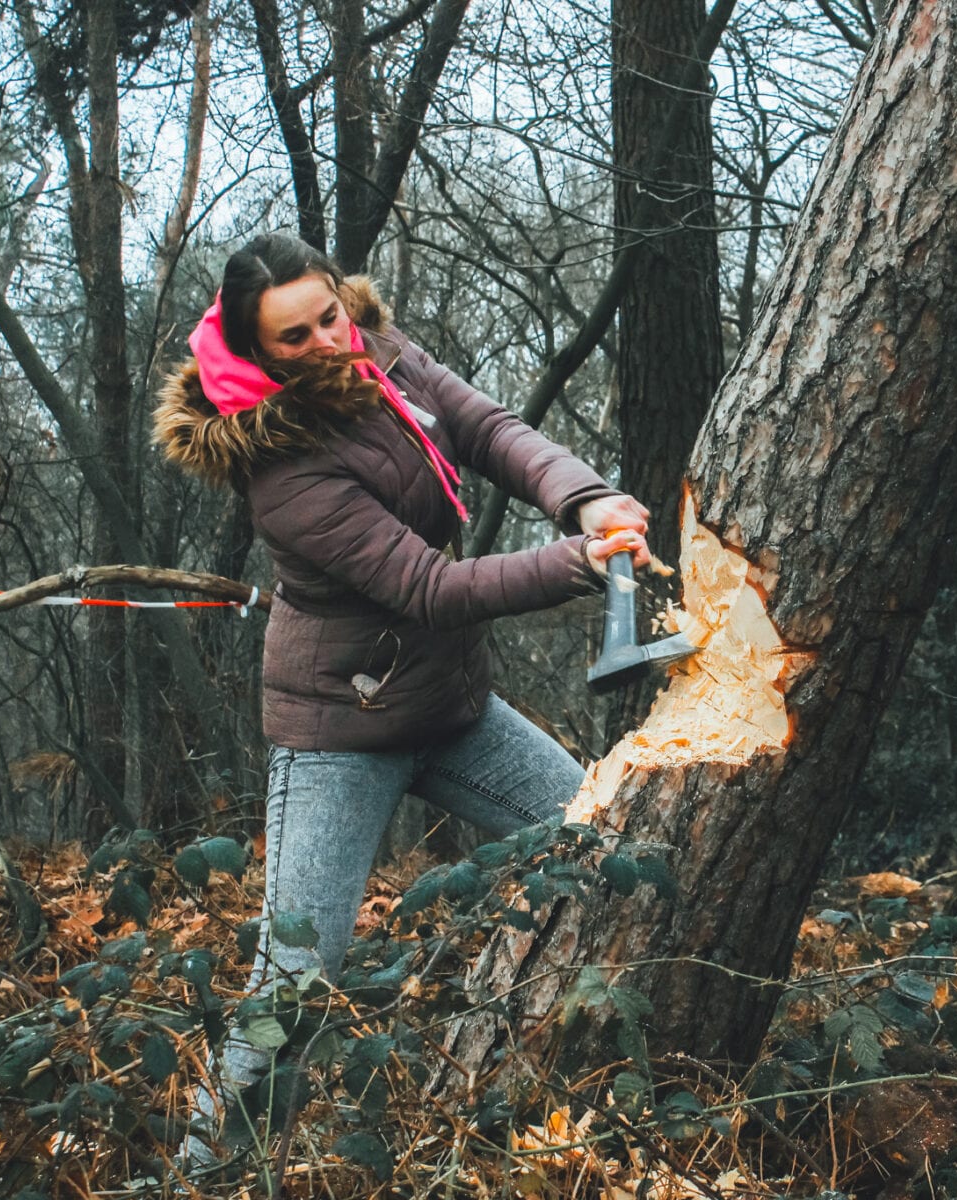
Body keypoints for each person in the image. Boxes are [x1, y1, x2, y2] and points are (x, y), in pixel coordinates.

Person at [154, 232, 650, 1148]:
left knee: (608, 850)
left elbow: (489, 427)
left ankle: (547, 1083)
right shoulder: (284, 468)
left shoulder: (383, 352)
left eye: (328, 318)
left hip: (449, 708)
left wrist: (584, 498)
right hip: (338, 733)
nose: (326, 345)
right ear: (257, 353)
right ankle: (206, 1166)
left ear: (344, 299)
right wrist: (578, 562)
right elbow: (431, 589)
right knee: (298, 975)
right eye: (293, 339)